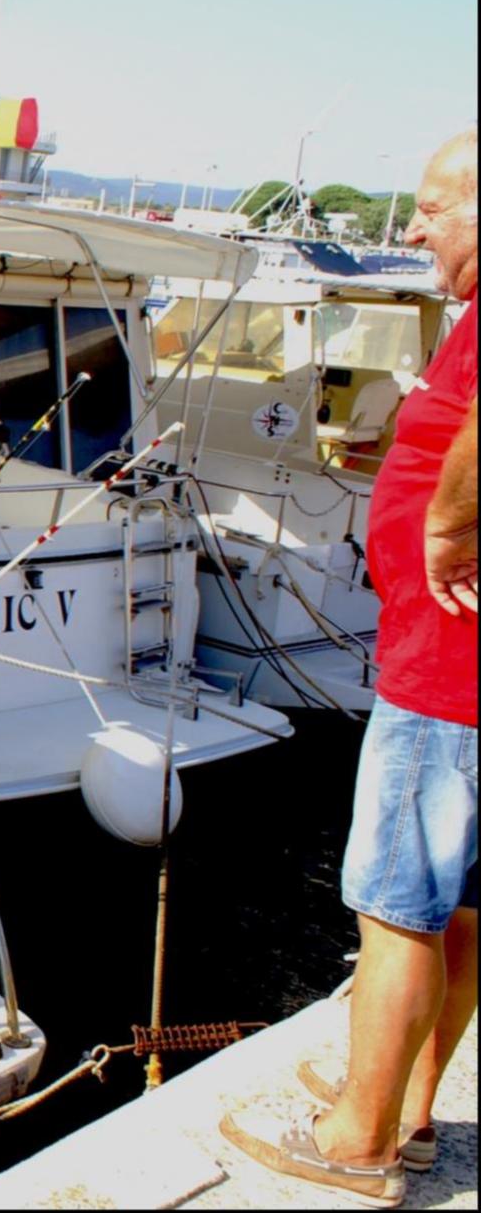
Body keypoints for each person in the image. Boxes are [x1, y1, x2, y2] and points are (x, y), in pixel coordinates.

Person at [223, 130, 479, 1208]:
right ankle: (408, 1112)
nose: (411, 226)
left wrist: (449, 526)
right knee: (458, 906)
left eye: (431, 206)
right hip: (457, 670)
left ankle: (358, 1137)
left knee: (397, 904)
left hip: (445, 668)